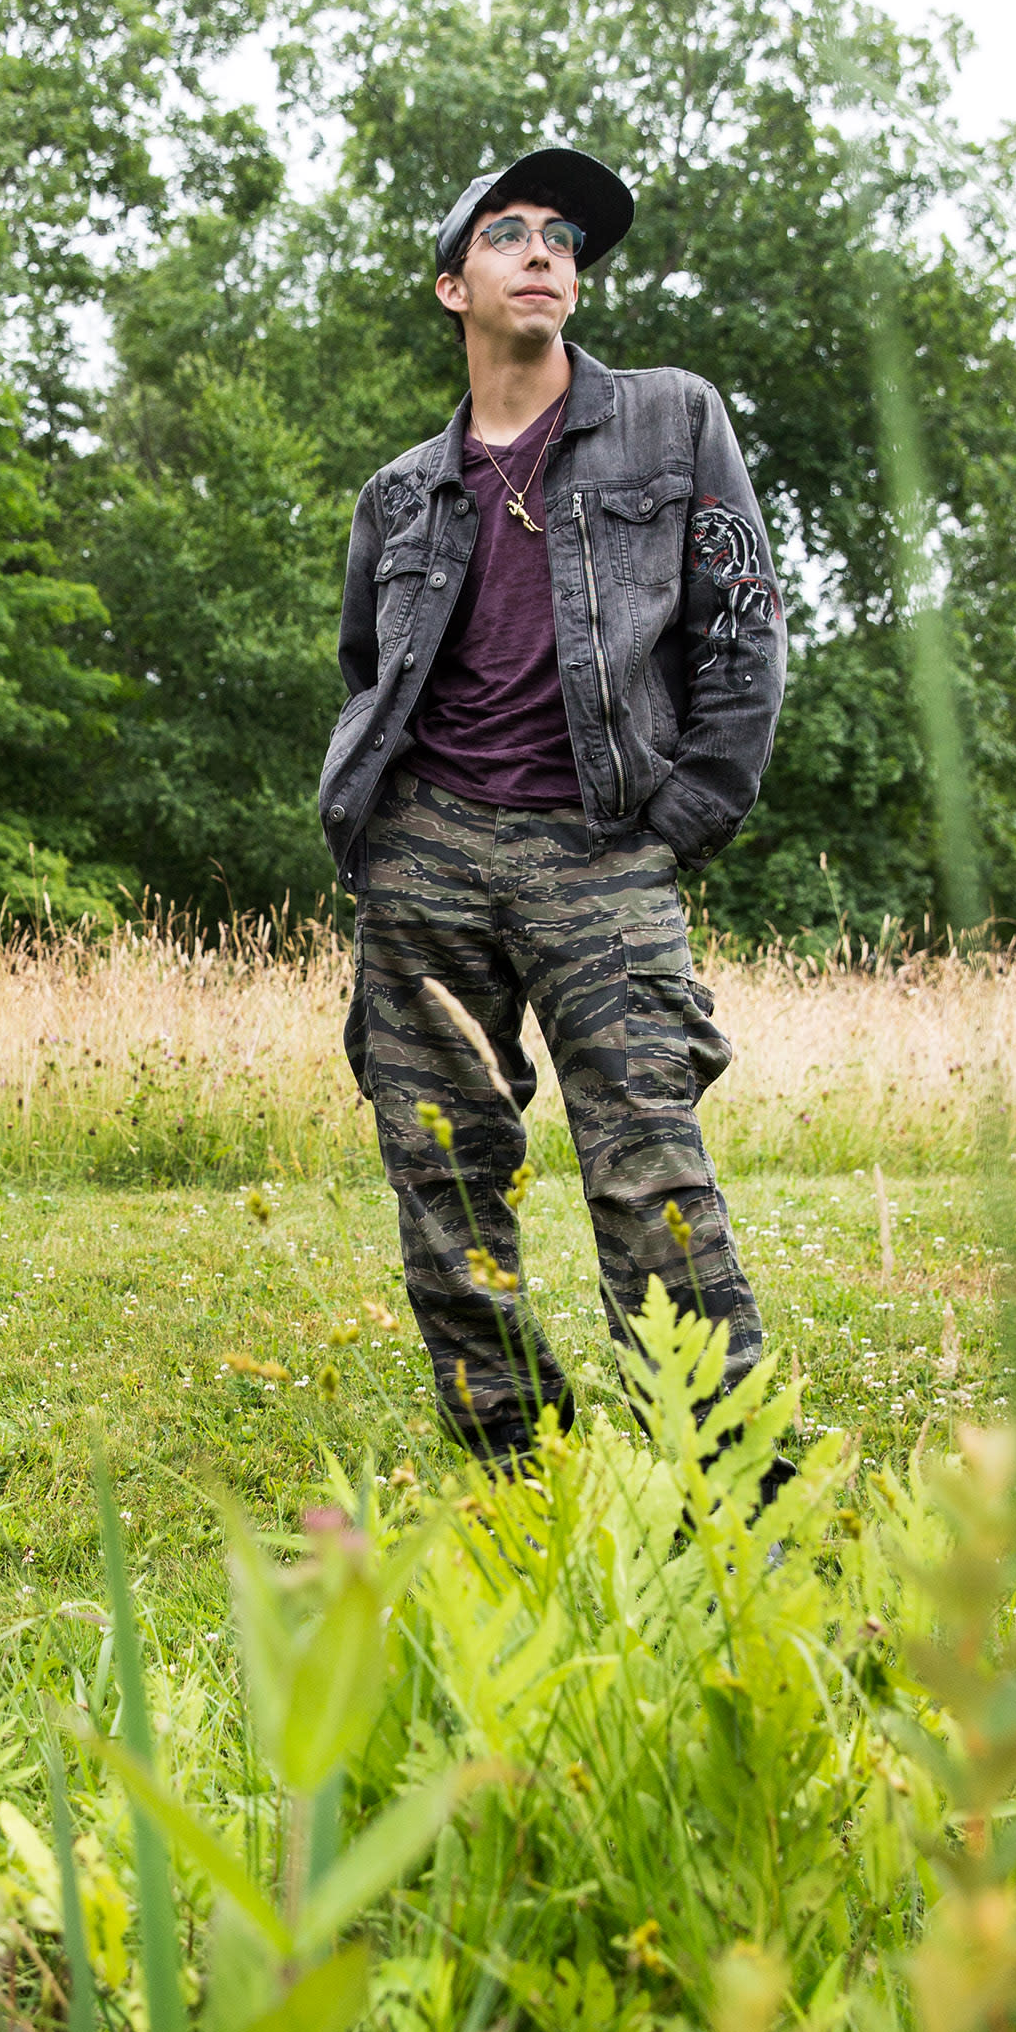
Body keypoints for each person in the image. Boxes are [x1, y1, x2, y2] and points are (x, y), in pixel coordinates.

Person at [316, 145, 787, 1473]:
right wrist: (381, 832)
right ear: (451, 283)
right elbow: (370, 671)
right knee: (444, 1188)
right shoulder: (401, 493)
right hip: (426, 860)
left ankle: (733, 1490)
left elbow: (742, 632)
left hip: (603, 845)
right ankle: (520, 1473)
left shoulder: (672, 420)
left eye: (565, 239)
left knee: (653, 1180)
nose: (543, 252)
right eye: (509, 231)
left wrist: (684, 817)